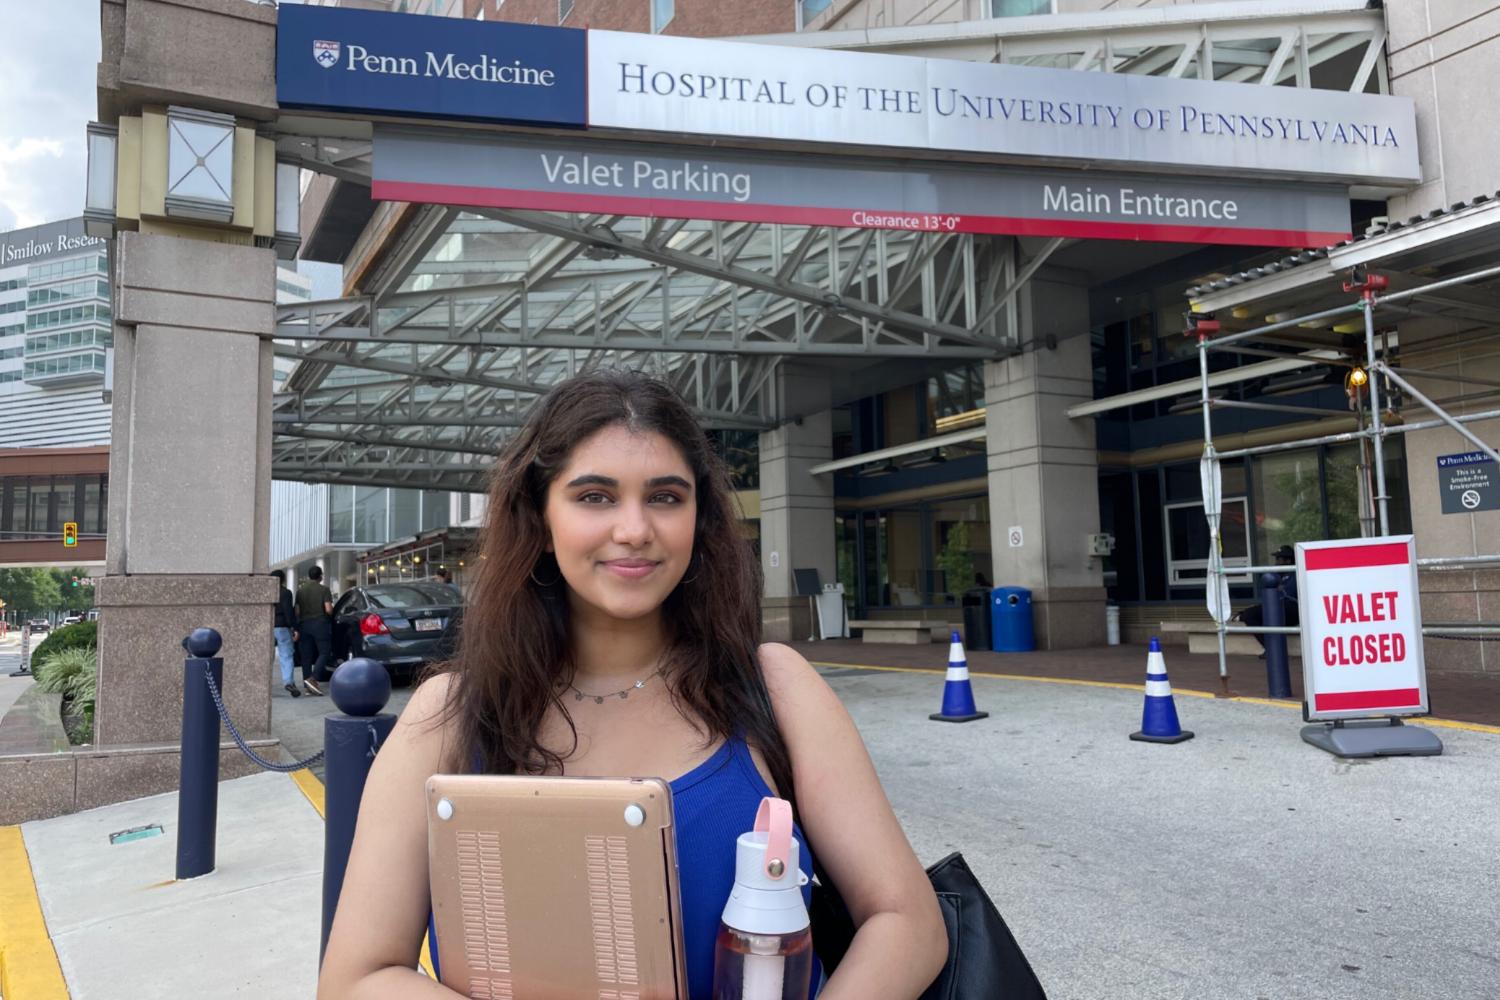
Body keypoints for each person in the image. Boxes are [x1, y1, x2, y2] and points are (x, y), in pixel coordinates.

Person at [319, 371, 947, 999]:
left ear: (699, 517)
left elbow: (907, 922)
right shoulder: (451, 716)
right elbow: (357, 978)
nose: (634, 529)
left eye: (666, 497)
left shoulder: (775, 687)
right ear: (540, 517)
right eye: (595, 496)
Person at [1240, 545, 1300, 658]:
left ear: (1288, 561)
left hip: (1292, 611)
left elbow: (1287, 595)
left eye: (1279, 559)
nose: (1276, 562)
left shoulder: (1294, 572)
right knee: (1249, 614)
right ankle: (1273, 649)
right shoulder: (1277, 575)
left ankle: (1274, 650)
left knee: (1254, 613)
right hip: (1279, 608)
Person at [295, 565, 334, 695]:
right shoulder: (324, 590)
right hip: (320, 624)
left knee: (306, 656)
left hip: (304, 625)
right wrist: (331, 615)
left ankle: (307, 688)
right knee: (324, 652)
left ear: (309, 576)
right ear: (320, 576)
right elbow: (328, 609)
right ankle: (313, 679)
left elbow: (297, 611)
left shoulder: (300, 591)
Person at [271, 570, 300, 698]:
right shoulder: (286, 593)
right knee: (286, 655)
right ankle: (288, 682)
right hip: (282, 626)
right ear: (283, 579)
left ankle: (263, 683)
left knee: (267, 657)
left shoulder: (266, 592)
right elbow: (289, 612)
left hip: (267, 627)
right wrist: (294, 628)